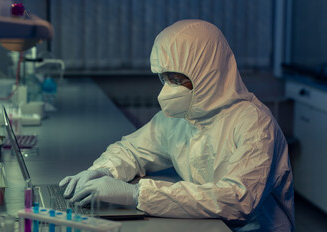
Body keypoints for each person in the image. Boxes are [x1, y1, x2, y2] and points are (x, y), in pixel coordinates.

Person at [59, 19, 295, 231]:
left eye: (176, 78)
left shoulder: (255, 124)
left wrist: (135, 194)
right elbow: (133, 149)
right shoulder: (182, 117)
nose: (167, 89)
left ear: (207, 72)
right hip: (207, 224)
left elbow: (236, 200)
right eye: (164, 78)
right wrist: (102, 170)